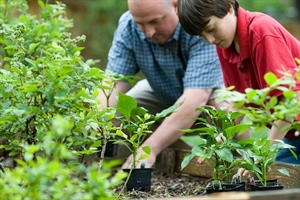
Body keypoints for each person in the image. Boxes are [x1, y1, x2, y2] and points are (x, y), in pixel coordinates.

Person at [98, 0, 226, 169]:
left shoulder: (197, 22)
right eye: (141, 24)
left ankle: (239, 165)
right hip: (162, 92)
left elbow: (195, 99)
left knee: (226, 112)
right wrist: (95, 121)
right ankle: (182, 160)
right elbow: (112, 84)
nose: (149, 32)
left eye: (155, 21)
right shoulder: (128, 26)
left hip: (208, 92)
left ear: (175, 5)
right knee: (122, 112)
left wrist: (149, 148)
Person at [177, 0, 300, 167]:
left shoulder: (261, 30)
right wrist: (222, 138)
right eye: (202, 36)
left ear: (228, 7)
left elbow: (291, 97)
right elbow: (238, 101)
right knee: (274, 179)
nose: (210, 40)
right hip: (292, 134)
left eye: (211, 29)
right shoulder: (225, 46)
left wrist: (265, 153)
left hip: (292, 126)